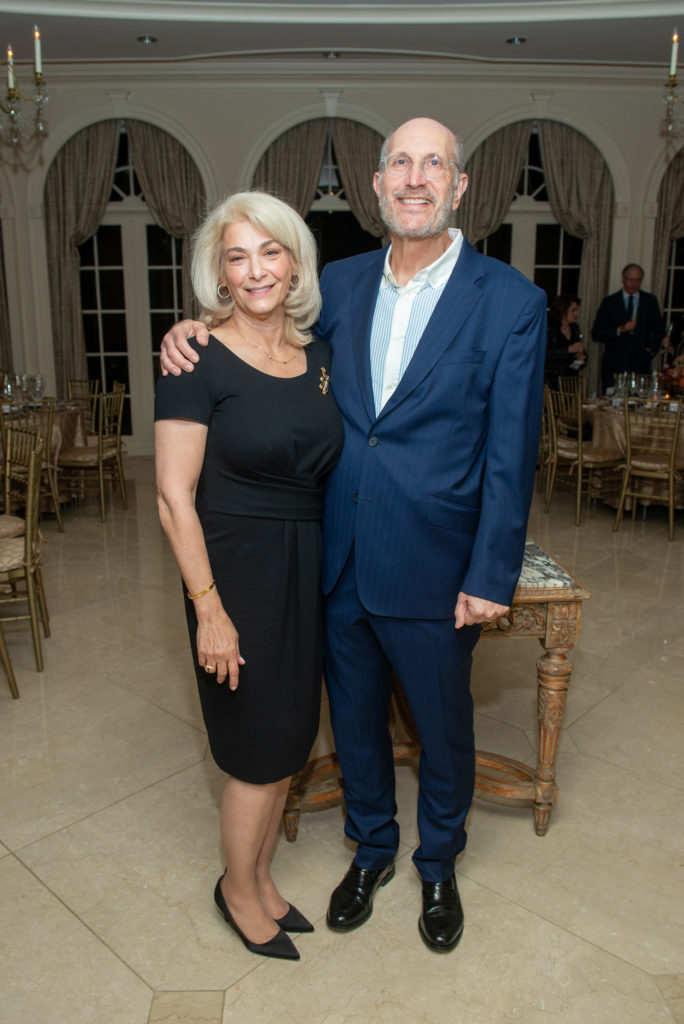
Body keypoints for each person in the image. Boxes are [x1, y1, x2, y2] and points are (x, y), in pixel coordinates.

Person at [160, 117, 546, 954]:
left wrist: (492, 573)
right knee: (355, 724)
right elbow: (262, 336)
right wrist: (189, 330)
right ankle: (371, 849)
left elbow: (513, 453)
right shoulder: (337, 282)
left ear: (459, 184)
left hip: (436, 565)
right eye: (399, 162)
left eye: (433, 164)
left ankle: (437, 863)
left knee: (442, 728)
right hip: (331, 559)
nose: (415, 178)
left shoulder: (511, 301)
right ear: (376, 185)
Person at [154, 192, 343, 962]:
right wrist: (209, 610)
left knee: (290, 741)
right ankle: (236, 892)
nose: (256, 269)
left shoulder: (319, 357)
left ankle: (260, 878)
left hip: (304, 567)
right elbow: (172, 497)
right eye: (237, 256)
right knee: (256, 753)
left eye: (270, 251)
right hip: (233, 573)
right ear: (220, 273)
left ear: (294, 263)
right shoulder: (194, 359)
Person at [592, 263, 667, 390]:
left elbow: (659, 331)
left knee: (638, 398)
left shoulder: (649, 301)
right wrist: (620, 330)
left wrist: (650, 350)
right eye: (630, 280)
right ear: (623, 279)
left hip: (641, 363)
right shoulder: (610, 302)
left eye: (637, 280)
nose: (633, 284)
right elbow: (597, 333)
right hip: (615, 363)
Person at [545, 294, 586, 387]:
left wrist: (581, 357)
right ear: (563, 311)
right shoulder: (550, 329)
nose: (576, 314)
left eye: (577, 310)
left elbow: (579, 350)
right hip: (552, 381)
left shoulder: (575, 328)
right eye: (573, 310)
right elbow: (545, 354)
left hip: (570, 382)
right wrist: (568, 350)